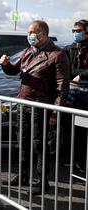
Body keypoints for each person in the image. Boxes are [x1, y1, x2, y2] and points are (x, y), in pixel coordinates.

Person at [0, 20, 70, 195]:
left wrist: (55, 112)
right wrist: (5, 64)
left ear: (42, 34)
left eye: (32, 32)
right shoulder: (29, 51)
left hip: (41, 106)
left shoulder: (57, 55)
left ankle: (42, 181)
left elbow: (62, 87)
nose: (29, 35)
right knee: (22, 141)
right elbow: (15, 71)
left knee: (39, 145)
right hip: (24, 103)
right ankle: (22, 175)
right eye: (29, 32)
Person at [64, 19, 88, 173]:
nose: (75, 34)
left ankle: (81, 162)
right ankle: (68, 159)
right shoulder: (69, 49)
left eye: (78, 31)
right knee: (66, 128)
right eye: (73, 31)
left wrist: (82, 76)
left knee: (81, 132)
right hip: (69, 94)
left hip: (84, 96)